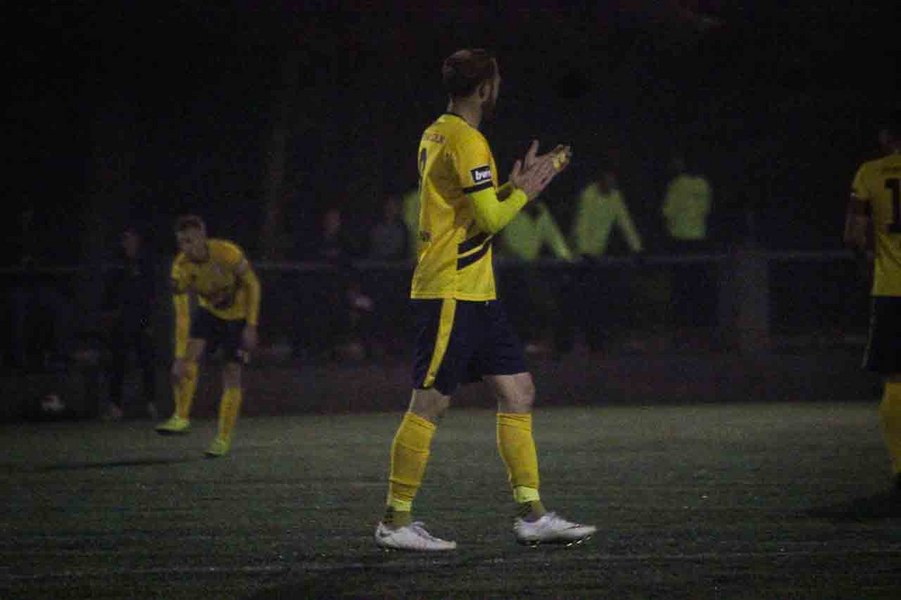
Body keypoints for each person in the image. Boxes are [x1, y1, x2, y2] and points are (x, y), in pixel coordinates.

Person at [374, 48, 596, 552]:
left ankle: (532, 515)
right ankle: (394, 520)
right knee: (429, 403)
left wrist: (508, 187)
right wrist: (525, 193)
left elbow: (470, 209)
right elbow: (492, 221)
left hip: (476, 291)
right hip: (451, 290)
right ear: (484, 89)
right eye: (496, 82)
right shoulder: (468, 140)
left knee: (518, 391)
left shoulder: (437, 131)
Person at [155, 215, 261, 458]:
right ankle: (181, 417)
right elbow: (182, 316)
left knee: (231, 372)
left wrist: (251, 325)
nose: (186, 248)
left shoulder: (227, 253)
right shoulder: (180, 268)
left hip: (238, 316)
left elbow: (253, 284)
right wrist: (179, 357)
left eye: (190, 241)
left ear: (202, 237)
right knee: (187, 360)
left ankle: (222, 439)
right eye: (181, 242)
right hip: (210, 312)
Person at [843, 111, 901, 494]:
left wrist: (867, 262)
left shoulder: (870, 173)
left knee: (895, 381)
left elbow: (854, 235)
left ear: (885, 137)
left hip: (891, 289)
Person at [572, 166, 644, 352]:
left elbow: (625, 221)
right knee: (584, 298)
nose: (611, 184)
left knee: (600, 297)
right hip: (583, 256)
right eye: (608, 180)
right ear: (600, 180)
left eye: (613, 181)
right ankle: (583, 340)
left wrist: (637, 248)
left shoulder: (615, 196)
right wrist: (584, 252)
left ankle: (597, 339)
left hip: (599, 255)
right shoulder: (589, 195)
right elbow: (582, 224)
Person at [498, 200, 575, 357]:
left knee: (538, 300)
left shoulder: (541, 211)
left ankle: (533, 342)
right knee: (513, 306)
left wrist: (568, 259)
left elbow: (554, 237)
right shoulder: (510, 207)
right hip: (509, 267)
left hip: (531, 266)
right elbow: (500, 238)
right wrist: (511, 255)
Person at [99, 226, 158, 421]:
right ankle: (115, 406)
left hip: (141, 321)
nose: (129, 243)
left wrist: (149, 321)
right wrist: (110, 316)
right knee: (118, 363)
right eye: (126, 240)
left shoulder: (145, 264)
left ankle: (151, 403)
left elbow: (150, 294)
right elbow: (110, 293)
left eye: (132, 239)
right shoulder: (116, 265)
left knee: (147, 363)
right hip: (121, 322)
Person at [660, 152, 715, 336]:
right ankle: (698, 323)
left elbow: (667, 211)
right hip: (699, 238)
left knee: (680, 284)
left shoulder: (676, 184)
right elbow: (706, 209)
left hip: (679, 239)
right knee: (697, 281)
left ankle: (681, 324)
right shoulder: (704, 184)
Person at [368, 194, 410, 262]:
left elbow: (400, 250)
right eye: (388, 205)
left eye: (394, 205)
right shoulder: (377, 227)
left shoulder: (402, 229)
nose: (390, 208)